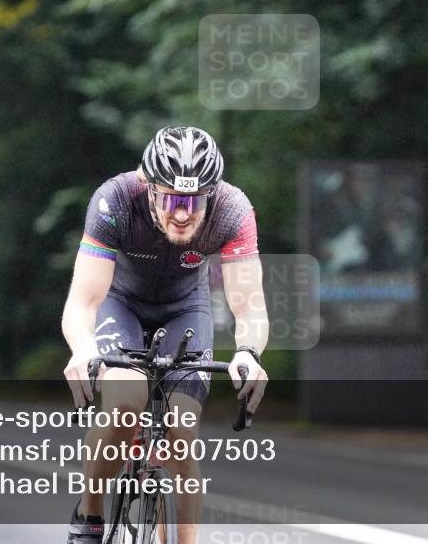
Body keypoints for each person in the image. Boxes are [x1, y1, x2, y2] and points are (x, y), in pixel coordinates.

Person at [62, 126, 269, 544]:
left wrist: (248, 353)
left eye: (194, 201)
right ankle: (91, 511)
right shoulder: (115, 200)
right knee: (125, 404)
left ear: (211, 194)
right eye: (173, 198)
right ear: (149, 187)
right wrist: (83, 349)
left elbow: (249, 304)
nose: (182, 212)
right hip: (120, 303)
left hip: (185, 308)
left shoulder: (232, 210)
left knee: (182, 433)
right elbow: (83, 301)